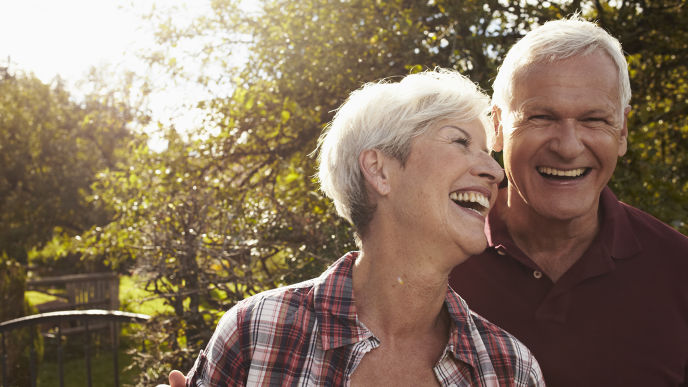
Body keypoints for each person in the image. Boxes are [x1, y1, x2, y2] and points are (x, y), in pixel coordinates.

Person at [169, 69, 545, 386]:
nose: (496, 172)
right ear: (379, 170)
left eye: (489, 155)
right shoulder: (256, 331)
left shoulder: (510, 369)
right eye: (460, 142)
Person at [449, 16, 688, 387]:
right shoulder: (436, 260)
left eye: (594, 120)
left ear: (622, 131)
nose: (568, 146)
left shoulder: (680, 271)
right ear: (496, 127)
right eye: (541, 117)